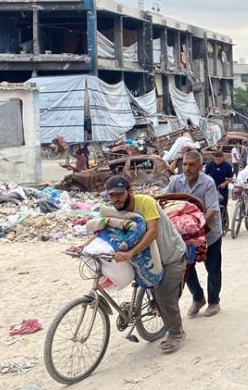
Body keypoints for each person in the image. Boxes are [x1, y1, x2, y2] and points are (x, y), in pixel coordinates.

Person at [89, 176, 187, 353]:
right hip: (148, 255)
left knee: (165, 297)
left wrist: (130, 253)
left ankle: (176, 333)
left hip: (171, 254)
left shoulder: (145, 202)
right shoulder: (115, 210)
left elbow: (152, 231)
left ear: (130, 191)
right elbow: (104, 229)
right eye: (111, 196)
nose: (116, 199)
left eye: (119, 194)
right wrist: (83, 246)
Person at [166, 150, 224, 317]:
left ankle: (214, 302)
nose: (187, 168)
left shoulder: (208, 183)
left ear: (199, 166)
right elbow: (164, 199)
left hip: (209, 233)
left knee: (212, 268)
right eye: (184, 164)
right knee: (186, 268)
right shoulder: (176, 182)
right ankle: (198, 298)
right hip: (185, 236)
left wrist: (198, 226)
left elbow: (212, 208)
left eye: (191, 164)